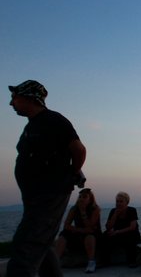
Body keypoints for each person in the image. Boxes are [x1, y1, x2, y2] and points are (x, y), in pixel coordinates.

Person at [7, 80, 87, 277]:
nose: (11, 103)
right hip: (35, 196)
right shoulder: (33, 125)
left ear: (29, 98)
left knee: (24, 249)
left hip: (50, 193)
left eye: (14, 98)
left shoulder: (53, 120)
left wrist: (74, 171)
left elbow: (79, 149)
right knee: (42, 245)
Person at [55, 188, 102, 273]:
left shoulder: (95, 209)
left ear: (90, 199)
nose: (81, 199)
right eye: (80, 197)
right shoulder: (74, 209)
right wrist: (80, 230)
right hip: (80, 233)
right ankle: (55, 261)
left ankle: (91, 262)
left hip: (93, 236)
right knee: (64, 234)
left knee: (90, 236)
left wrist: (83, 211)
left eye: (84, 197)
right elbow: (66, 225)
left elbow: (90, 228)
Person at [101, 191, 141, 267]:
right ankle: (105, 261)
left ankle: (132, 261)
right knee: (105, 235)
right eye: (117, 201)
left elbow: (132, 227)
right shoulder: (113, 211)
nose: (118, 203)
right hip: (118, 234)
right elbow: (108, 227)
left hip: (130, 233)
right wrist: (115, 215)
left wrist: (117, 232)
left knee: (130, 238)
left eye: (121, 201)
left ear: (127, 202)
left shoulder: (131, 210)